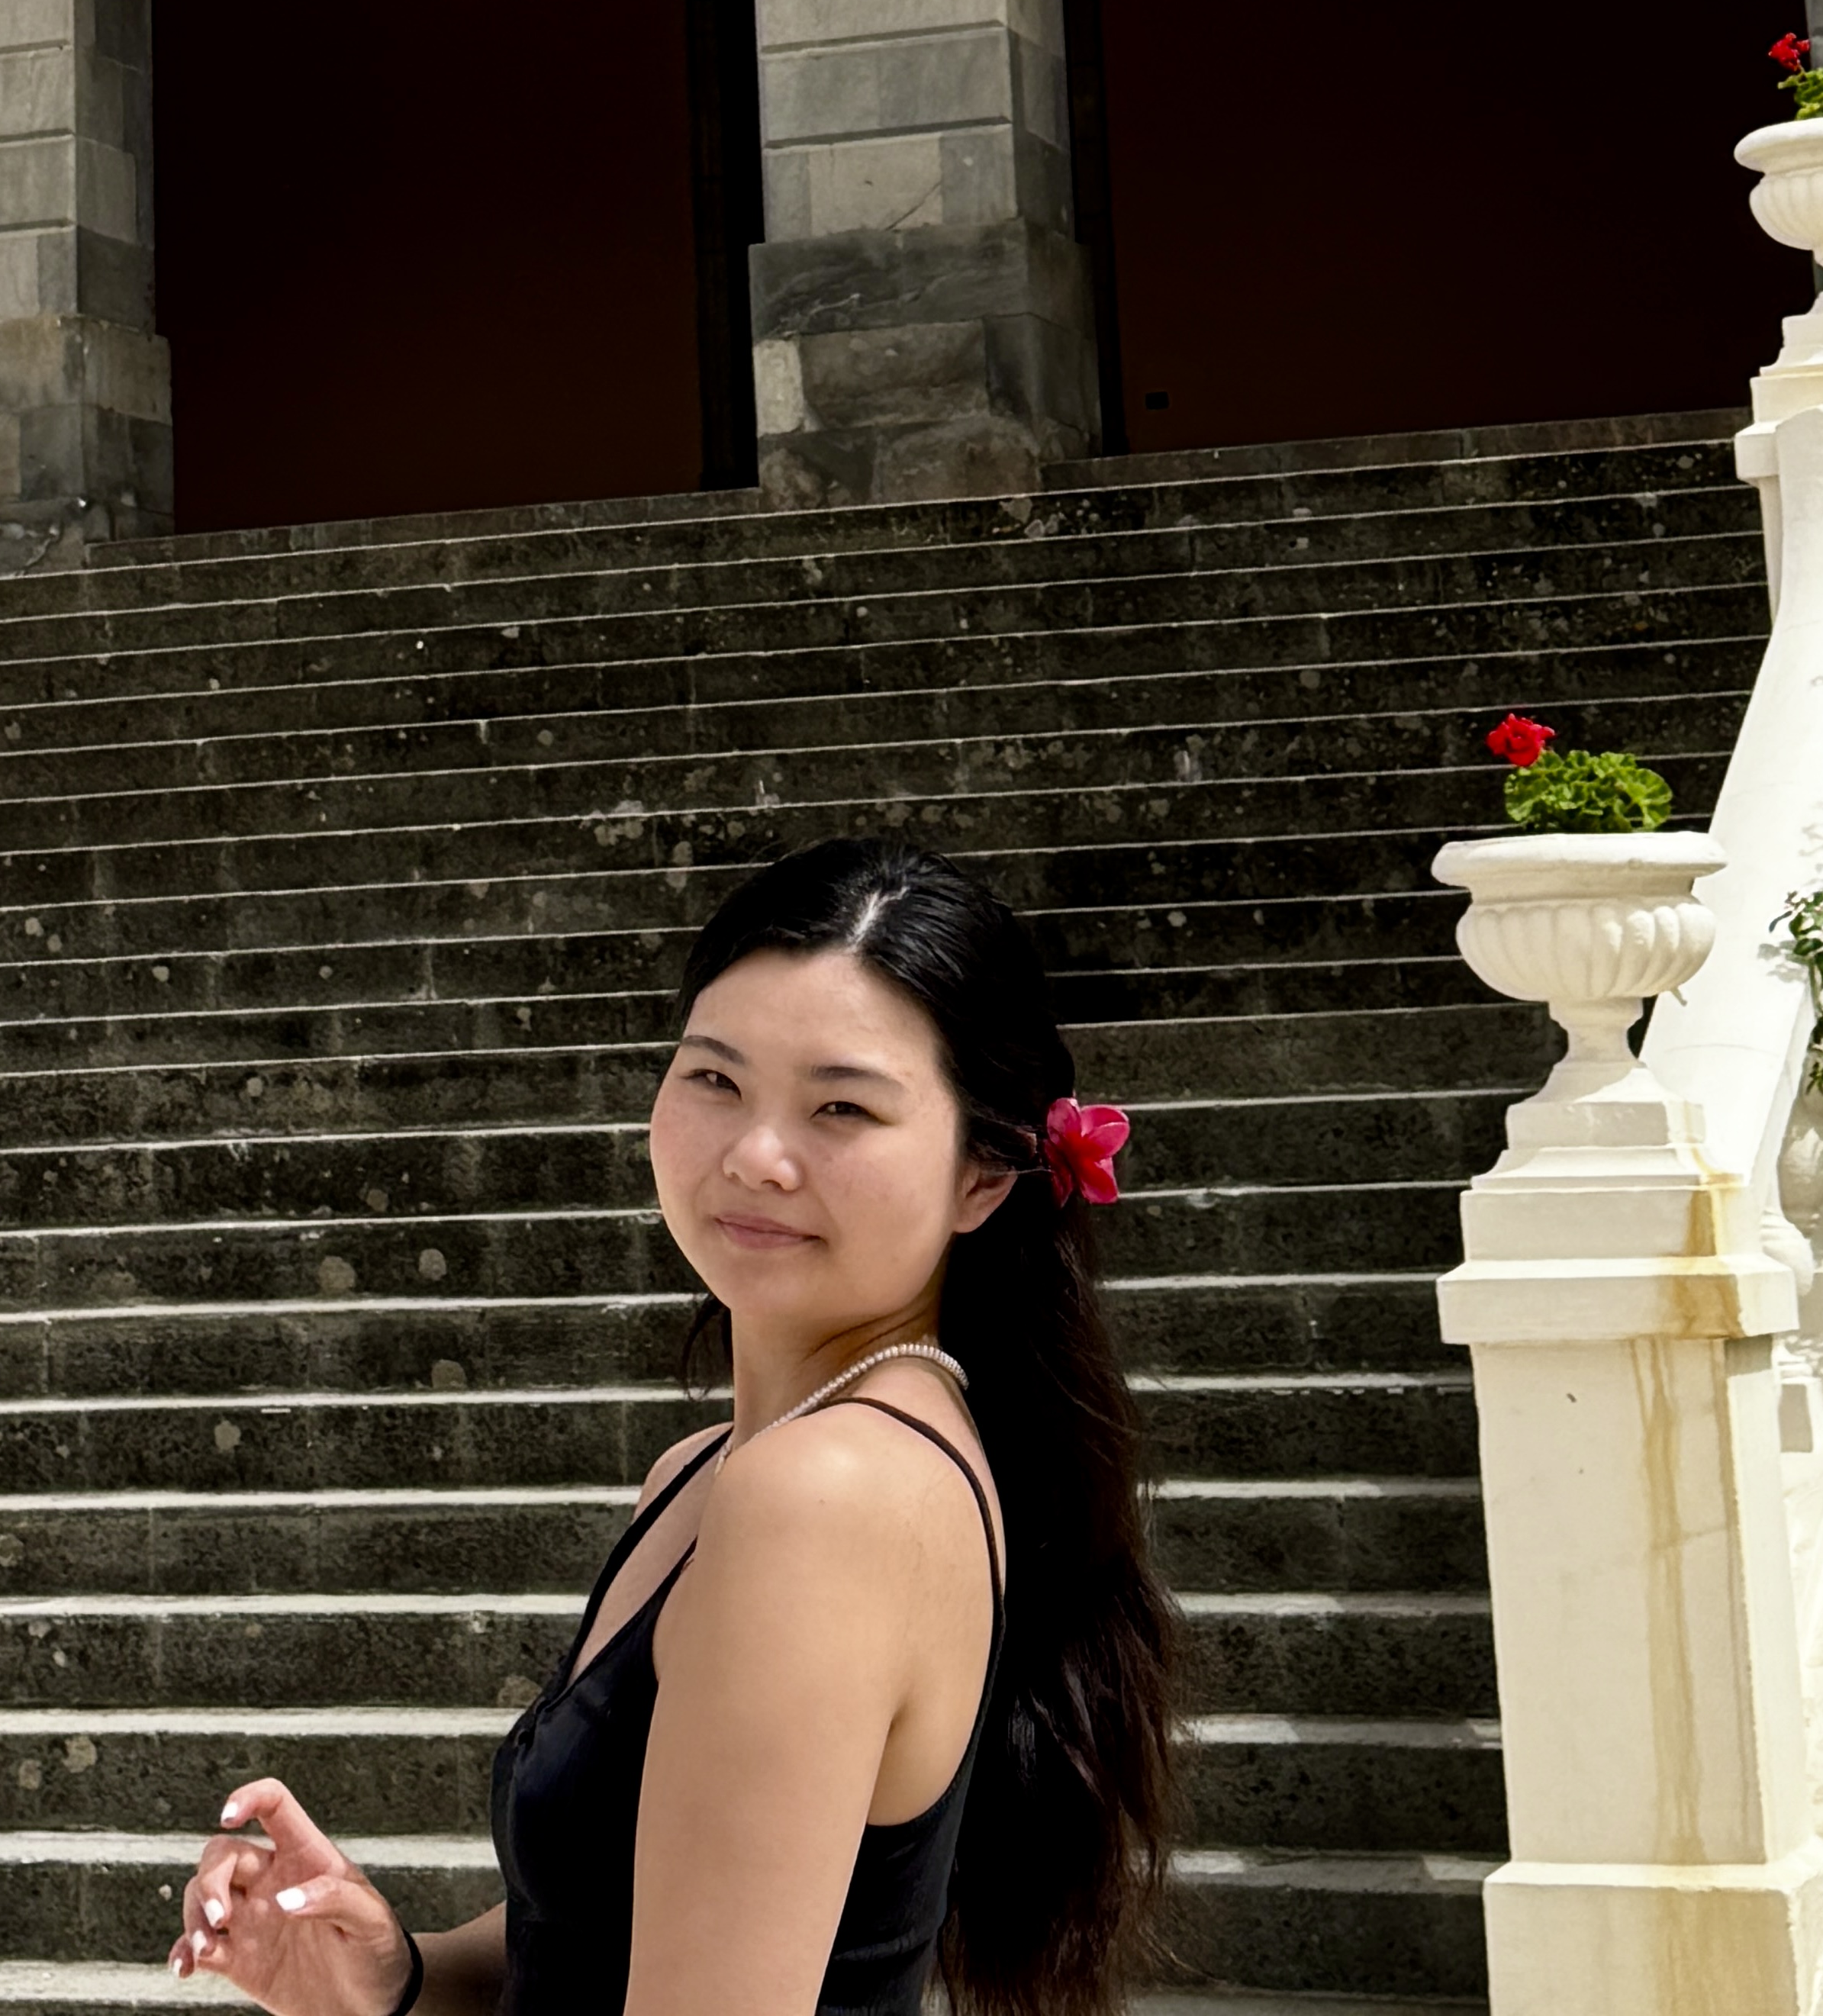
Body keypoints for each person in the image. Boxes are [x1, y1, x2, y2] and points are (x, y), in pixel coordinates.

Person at [170, 840, 1171, 2016]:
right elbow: (622, 1915)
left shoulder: (829, 1495)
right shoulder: (713, 1472)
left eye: (842, 1106)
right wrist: (401, 1975)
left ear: (983, 1178)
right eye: (714, 1079)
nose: (756, 1155)